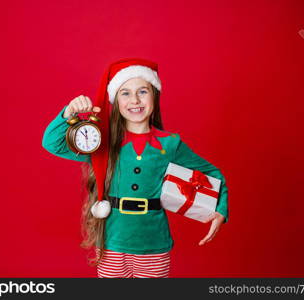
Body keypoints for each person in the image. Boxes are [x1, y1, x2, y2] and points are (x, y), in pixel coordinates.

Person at [42, 58, 229, 278]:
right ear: (116, 100)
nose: (135, 100)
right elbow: (52, 143)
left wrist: (220, 210)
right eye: (125, 93)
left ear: (154, 95)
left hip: (153, 246)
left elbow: (212, 174)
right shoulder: (100, 140)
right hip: (112, 244)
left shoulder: (170, 144)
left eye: (142, 91)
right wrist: (68, 113)